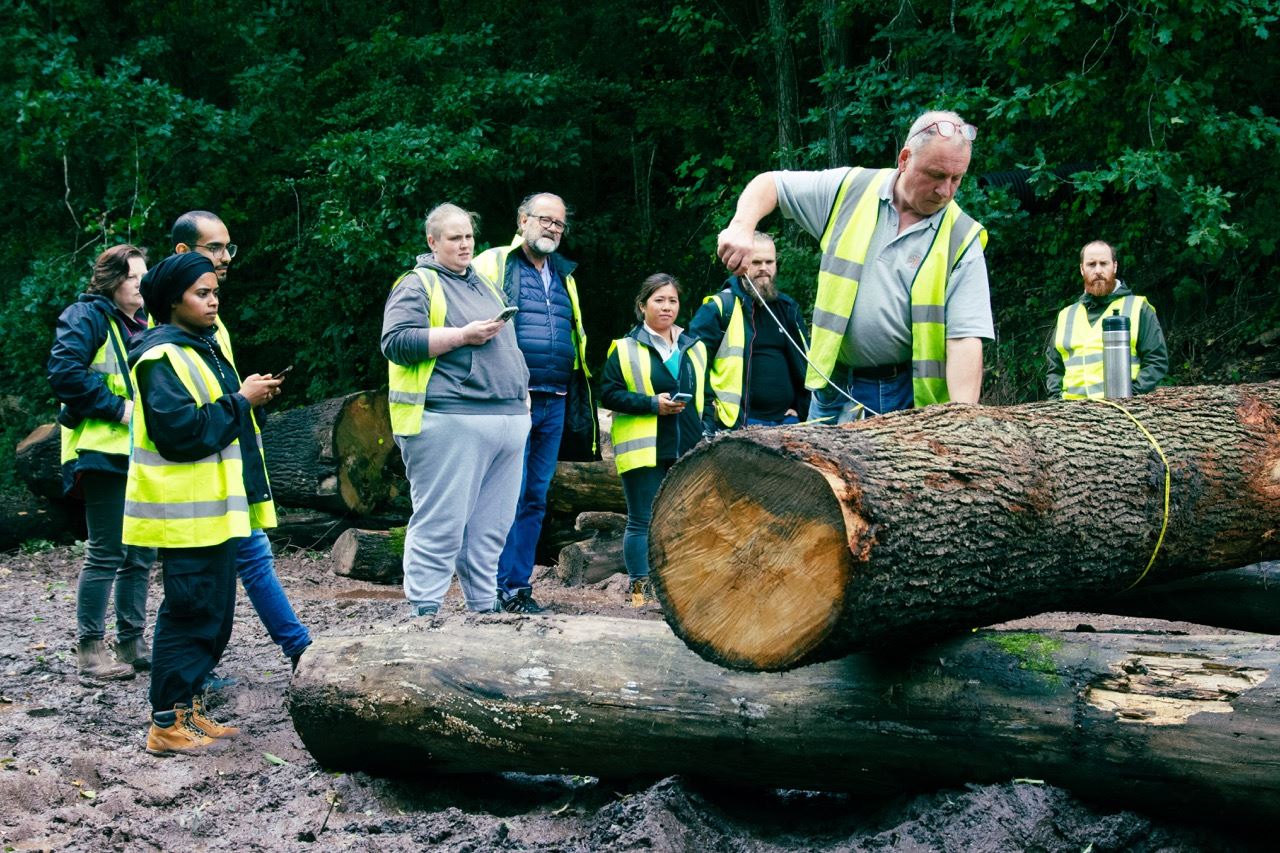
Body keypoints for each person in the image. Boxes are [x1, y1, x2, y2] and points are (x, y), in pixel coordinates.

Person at [716, 109, 993, 423]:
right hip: (832, 388)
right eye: (936, 175)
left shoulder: (962, 237)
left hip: (906, 397)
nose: (946, 190)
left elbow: (965, 339)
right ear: (905, 160)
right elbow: (771, 185)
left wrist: (964, 422)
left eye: (957, 178)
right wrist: (741, 226)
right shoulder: (850, 190)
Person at [124, 253, 282, 754]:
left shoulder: (199, 348)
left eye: (215, 292)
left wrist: (243, 398)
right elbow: (182, 433)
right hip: (182, 515)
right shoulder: (159, 357)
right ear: (173, 301)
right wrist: (242, 400)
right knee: (189, 613)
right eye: (202, 294)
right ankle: (166, 723)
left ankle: (188, 709)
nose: (213, 301)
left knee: (213, 617)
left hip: (212, 512)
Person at [171, 211, 312, 677]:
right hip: (198, 476)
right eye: (215, 248)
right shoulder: (170, 324)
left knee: (230, 568)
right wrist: (241, 401)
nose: (226, 257)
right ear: (183, 253)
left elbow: (221, 391)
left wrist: (253, 398)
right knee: (205, 581)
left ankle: (295, 651)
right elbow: (182, 420)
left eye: (229, 247)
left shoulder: (212, 317)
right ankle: (300, 651)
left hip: (230, 463)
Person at [382, 203, 531, 616]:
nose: (464, 244)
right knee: (441, 525)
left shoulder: (484, 284)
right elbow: (395, 342)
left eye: (468, 236)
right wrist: (461, 336)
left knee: (491, 530)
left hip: (507, 420)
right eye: (454, 238)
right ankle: (424, 615)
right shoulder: (417, 285)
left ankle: (484, 611)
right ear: (433, 242)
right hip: (449, 421)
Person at [472, 192, 598, 614]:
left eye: (559, 224)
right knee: (503, 494)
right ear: (522, 219)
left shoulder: (567, 276)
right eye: (545, 220)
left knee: (535, 498)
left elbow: (574, 341)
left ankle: (516, 587)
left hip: (556, 400)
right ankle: (487, 587)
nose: (552, 229)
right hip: (510, 400)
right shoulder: (493, 262)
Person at [47, 245, 156, 682]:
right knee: (107, 552)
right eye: (135, 278)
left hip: (140, 454)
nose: (143, 285)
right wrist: (117, 408)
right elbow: (64, 374)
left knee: (141, 552)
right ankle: (90, 650)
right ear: (113, 281)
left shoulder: (144, 323)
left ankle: (132, 641)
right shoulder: (85, 316)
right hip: (100, 451)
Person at [599, 274, 707, 607]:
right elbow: (608, 394)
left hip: (686, 448)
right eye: (659, 300)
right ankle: (639, 595)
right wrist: (651, 404)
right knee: (641, 521)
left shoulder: (695, 346)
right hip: (644, 449)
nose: (666, 306)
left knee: (683, 521)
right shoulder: (624, 347)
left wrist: (708, 430)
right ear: (642, 305)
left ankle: (677, 594)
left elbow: (708, 395)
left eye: (672, 300)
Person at [688, 232, 809, 429]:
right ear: (740, 265)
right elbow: (693, 365)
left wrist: (801, 408)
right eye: (756, 262)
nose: (764, 268)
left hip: (788, 422)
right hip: (740, 424)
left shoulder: (788, 308)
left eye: (769, 262)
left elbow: (805, 364)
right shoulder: (718, 308)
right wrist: (712, 411)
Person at [1046, 240, 1168, 399]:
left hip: (1119, 413)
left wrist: (1129, 396)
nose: (1098, 270)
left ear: (1115, 266)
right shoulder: (1066, 315)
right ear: (1082, 269)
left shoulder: (1138, 308)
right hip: (1071, 414)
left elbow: (1156, 361)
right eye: (1091, 264)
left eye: (1104, 263)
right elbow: (1054, 368)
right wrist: (1056, 403)